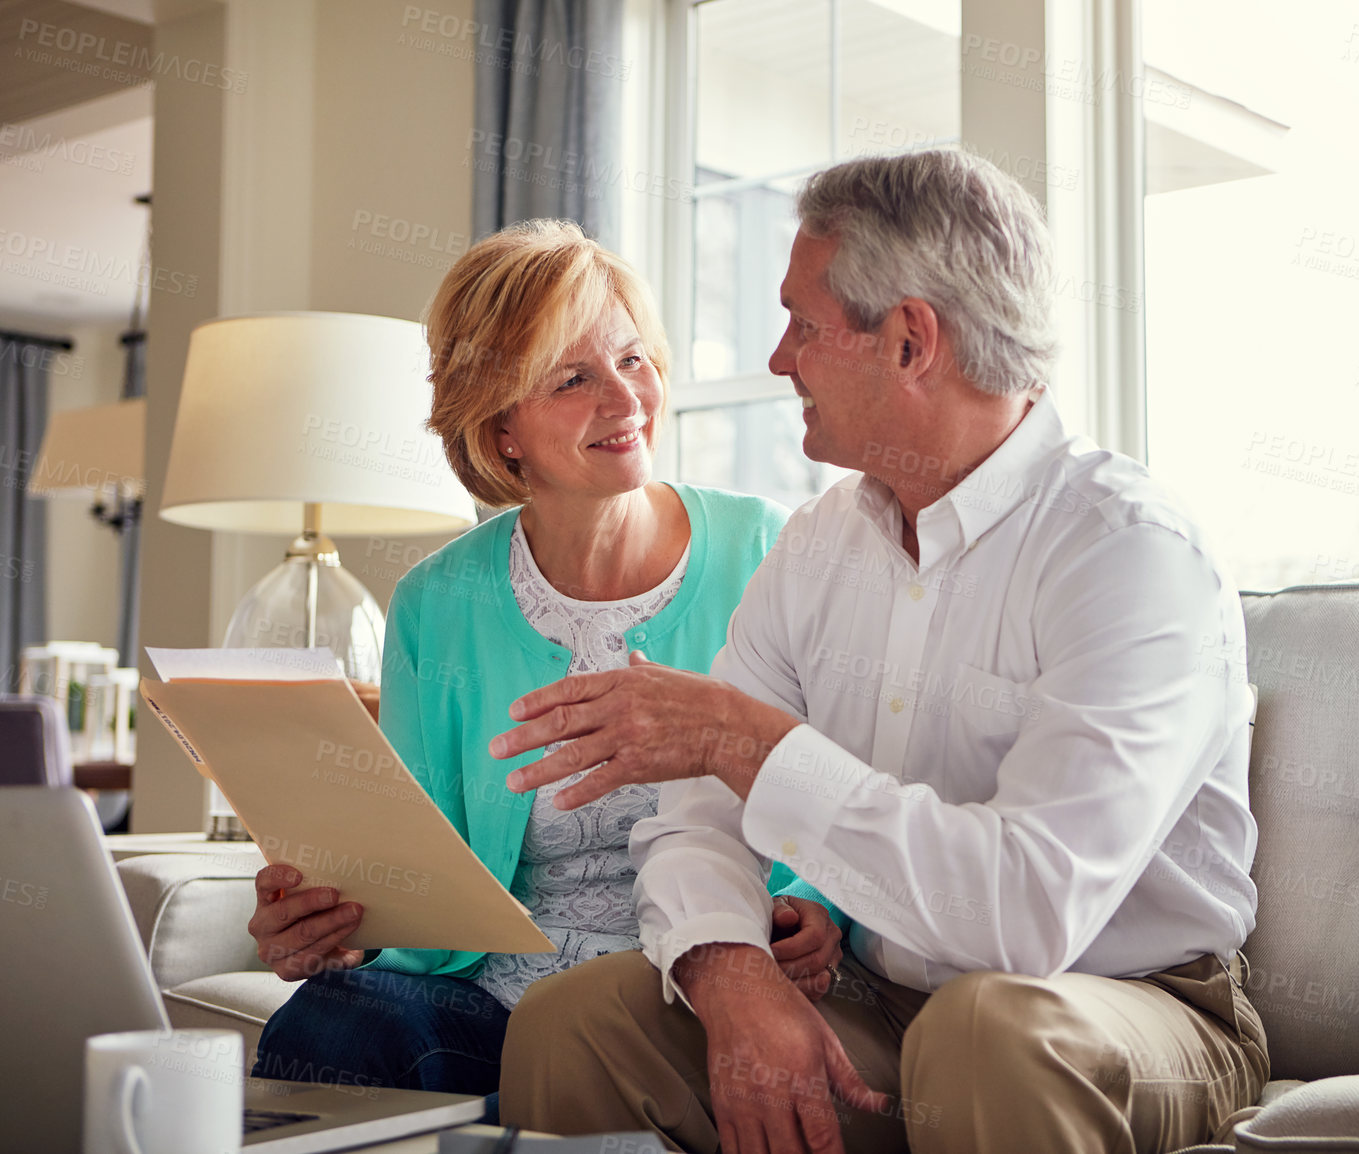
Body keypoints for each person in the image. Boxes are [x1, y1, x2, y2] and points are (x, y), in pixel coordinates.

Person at [493, 151, 1269, 1153]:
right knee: (578, 1024)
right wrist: (732, 976)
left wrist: (751, 743)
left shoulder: (1126, 553)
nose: (779, 358)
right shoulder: (820, 543)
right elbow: (697, 820)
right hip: (884, 996)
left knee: (985, 1027)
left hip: (1128, 1009)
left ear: (910, 341)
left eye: (804, 325)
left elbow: (1023, 921)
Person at [242, 220, 847, 1123]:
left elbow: (844, 784)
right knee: (326, 1029)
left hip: (707, 978)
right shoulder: (436, 601)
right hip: (495, 997)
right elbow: (422, 865)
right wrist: (339, 929)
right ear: (501, 427)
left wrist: (814, 909)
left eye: (634, 359)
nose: (625, 397)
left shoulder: (773, 550)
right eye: (572, 379)